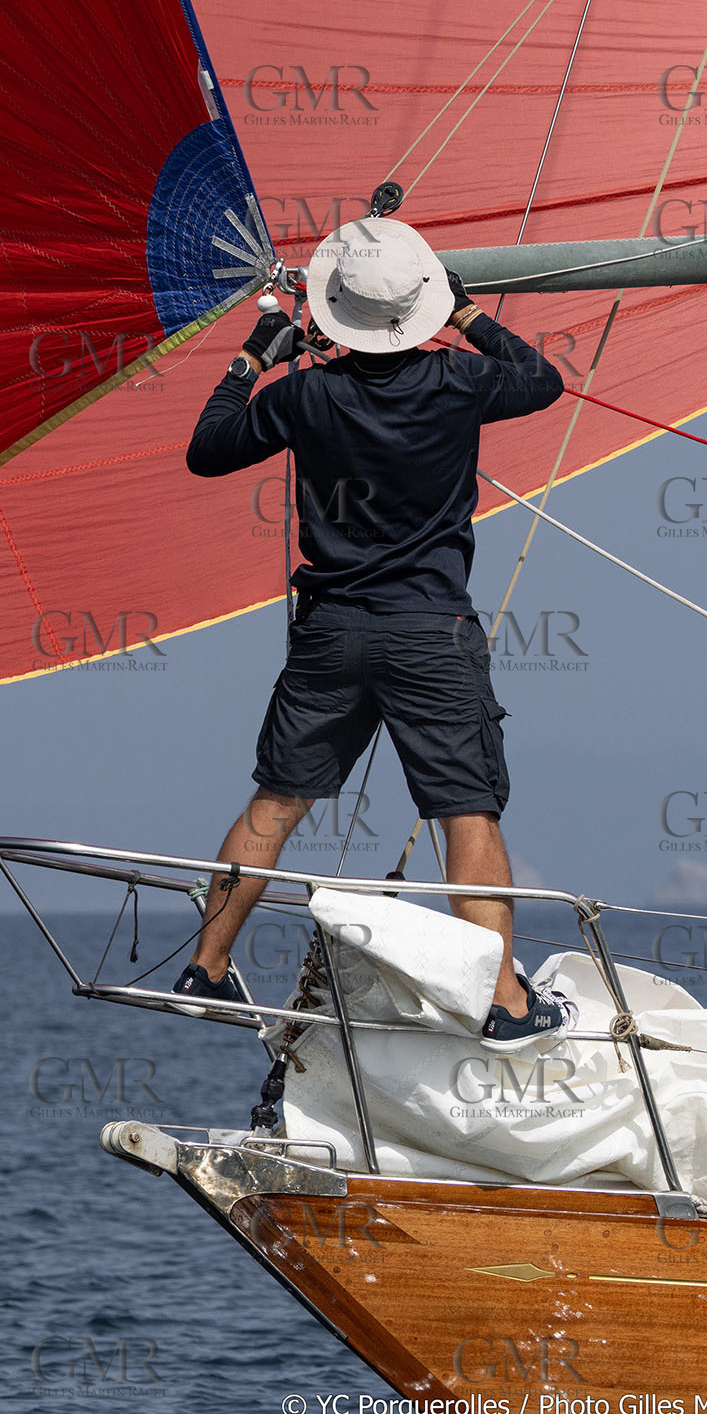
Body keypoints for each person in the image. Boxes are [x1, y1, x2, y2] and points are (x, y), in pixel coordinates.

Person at [176, 213, 569, 1044]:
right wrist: (468, 314)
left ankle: (205, 966)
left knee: (278, 800)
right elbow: (542, 380)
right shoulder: (460, 381)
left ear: (339, 315)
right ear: (420, 309)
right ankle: (505, 1000)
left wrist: (256, 354)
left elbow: (207, 449)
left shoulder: (304, 395)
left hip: (332, 631)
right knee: (467, 812)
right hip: (429, 629)